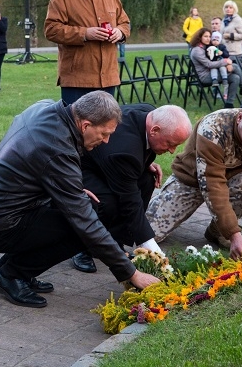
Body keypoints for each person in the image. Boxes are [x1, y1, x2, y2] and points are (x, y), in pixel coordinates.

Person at [0, 92, 161, 308]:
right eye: (103, 134)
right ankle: (11, 274)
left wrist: (72, 187)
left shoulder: (47, 109)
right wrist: (131, 273)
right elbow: (86, 223)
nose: (106, 141)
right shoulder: (57, 148)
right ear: (86, 125)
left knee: (86, 207)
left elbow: (35, 163)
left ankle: (9, 266)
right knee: (82, 226)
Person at [145, 97, 242, 258]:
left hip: (234, 182)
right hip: (192, 180)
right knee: (148, 233)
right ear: (240, 118)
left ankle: (218, 231)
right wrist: (234, 234)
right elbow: (212, 184)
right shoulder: (213, 126)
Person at [72, 103, 193, 273]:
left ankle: (114, 241)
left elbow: (136, 149)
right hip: (82, 167)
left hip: (110, 161)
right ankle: (82, 247)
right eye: (170, 143)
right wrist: (157, 254)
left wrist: (143, 163)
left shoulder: (149, 113)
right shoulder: (125, 152)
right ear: (155, 130)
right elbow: (131, 202)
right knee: (107, 201)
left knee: (146, 179)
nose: (172, 151)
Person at [43, 0, 129, 104]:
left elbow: (125, 22)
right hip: (77, 80)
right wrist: (85, 33)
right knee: (76, 126)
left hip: (108, 78)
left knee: (105, 126)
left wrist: (120, 32)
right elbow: (51, 29)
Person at [190, 28, 241, 108]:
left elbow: (217, 57)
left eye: (209, 36)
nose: (208, 38)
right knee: (235, 66)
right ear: (199, 37)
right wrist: (225, 62)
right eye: (205, 36)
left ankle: (229, 104)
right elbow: (209, 64)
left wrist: (226, 63)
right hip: (205, 77)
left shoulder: (206, 47)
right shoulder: (197, 50)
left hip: (215, 72)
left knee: (235, 78)